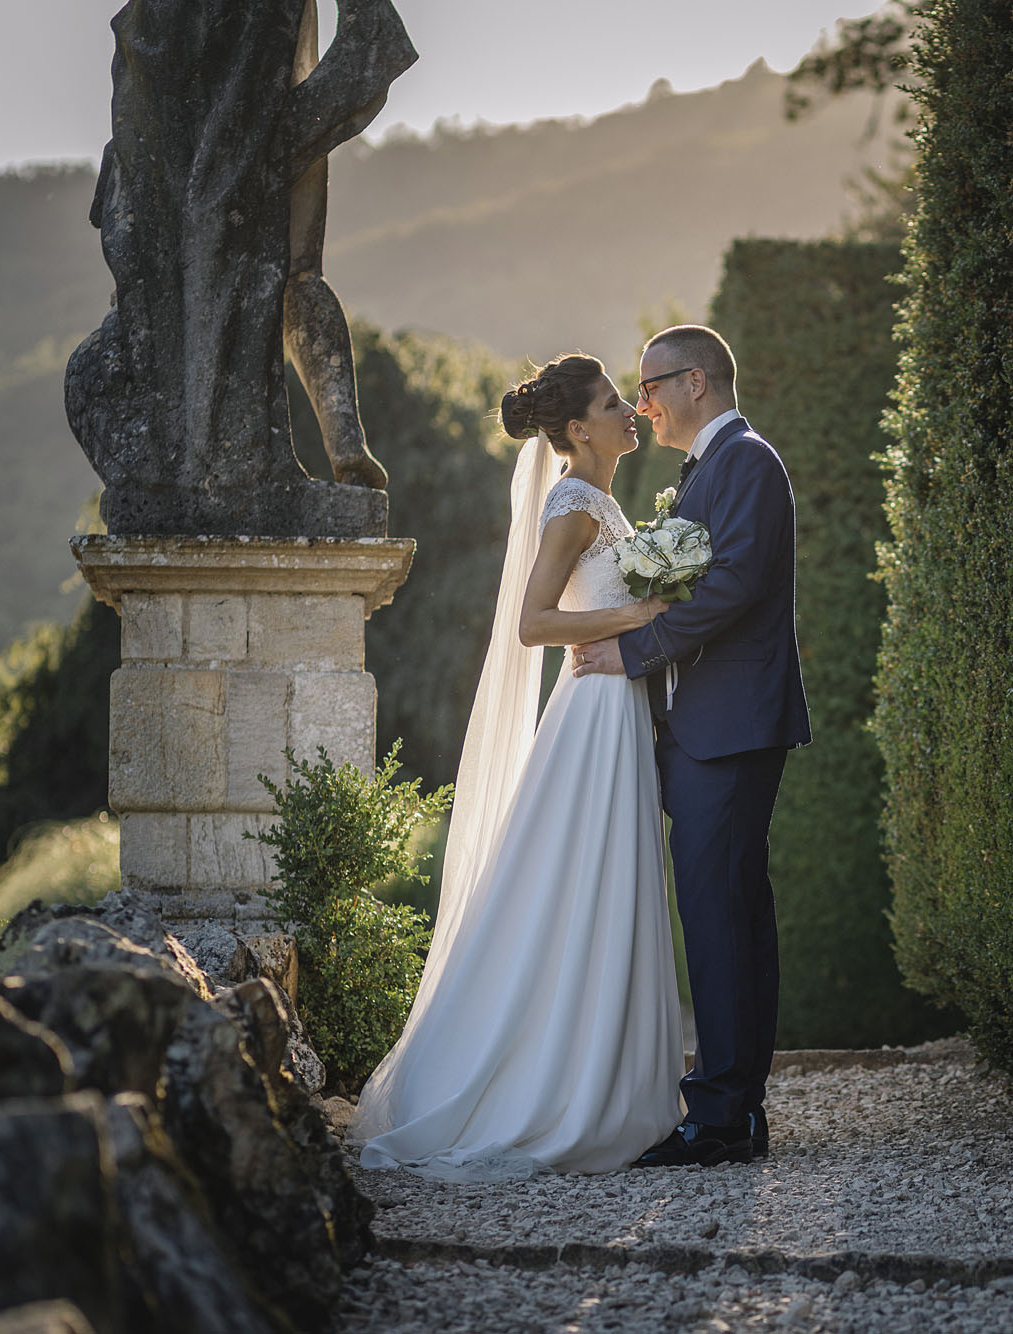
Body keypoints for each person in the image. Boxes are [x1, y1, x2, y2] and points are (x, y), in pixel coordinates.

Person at [347, 354, 683, 1178]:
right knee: (577, 884)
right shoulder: (573, 502)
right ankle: (546, 1086)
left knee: (605, 885)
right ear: (577, 430)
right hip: (592, 715)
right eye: (613, 404)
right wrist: (642, 610)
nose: (628, 413)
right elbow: (535, 623)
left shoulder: (603, 500)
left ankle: (608, 1079)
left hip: (616, 706)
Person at [572, 324, 811, 1167]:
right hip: (705, 726)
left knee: (722, 917)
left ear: (697, 382)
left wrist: (632, 651)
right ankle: (733, 1110)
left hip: (734, 724)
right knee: (725, 915)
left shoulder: (746, 462)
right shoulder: (712, 469)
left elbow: (737, 585)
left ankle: (721, 1119)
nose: (644, 405)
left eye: (652, 387)